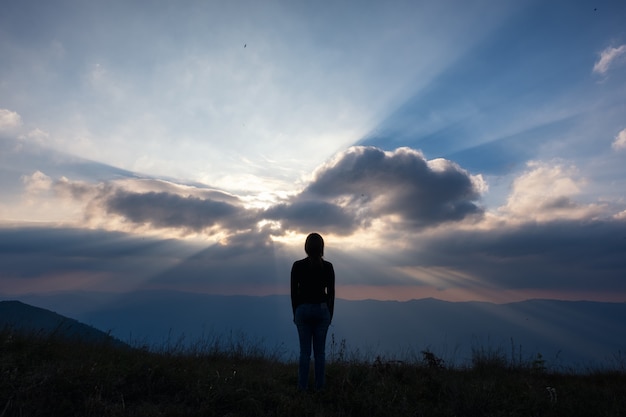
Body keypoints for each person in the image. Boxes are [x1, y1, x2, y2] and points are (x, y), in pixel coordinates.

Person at [291, 232, 335, 391]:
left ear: (306, 247)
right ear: (322, 248)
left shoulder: (297, 265)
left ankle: (302, 388)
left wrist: (295, 312)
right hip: (322, 310)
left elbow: (293, 292)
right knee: (320, 354)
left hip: (302, 310)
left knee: (304, 353)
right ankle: (320, 388)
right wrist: (330, 314)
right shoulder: (328, 267)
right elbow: (331, 293)